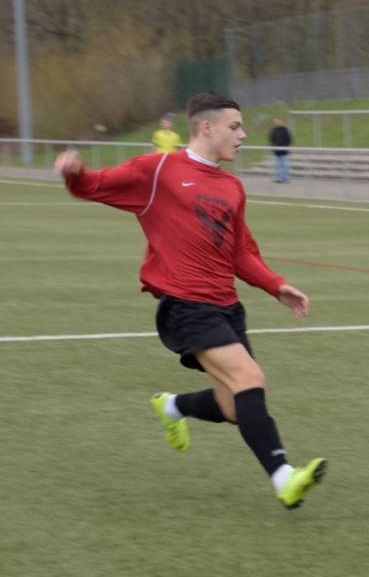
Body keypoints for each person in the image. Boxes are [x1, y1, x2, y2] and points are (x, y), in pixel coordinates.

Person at [54, 92, 326, 510]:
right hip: (186, 305)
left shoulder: (232, 186)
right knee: (250, 378)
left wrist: (276, 285)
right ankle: (284, 477)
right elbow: (95, 185)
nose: (243, 135)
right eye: (235, 126)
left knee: (232, 406)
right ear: (207, 128)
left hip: (227, 307)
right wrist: (75, 173)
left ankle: (173, 406)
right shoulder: (158, 170)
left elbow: (240, 252)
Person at [268, 118, 293, 183]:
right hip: (276, 151)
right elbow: (271, 139)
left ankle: (285, 177)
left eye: (278, 122)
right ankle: (279, 177)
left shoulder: (285, 130)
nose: (276, 124)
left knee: (284, 164)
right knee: (277, 164)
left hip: (284, 150)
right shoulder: (273, 130)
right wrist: (272, 147)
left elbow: (289, 139)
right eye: (275, 123)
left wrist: (286, 147)